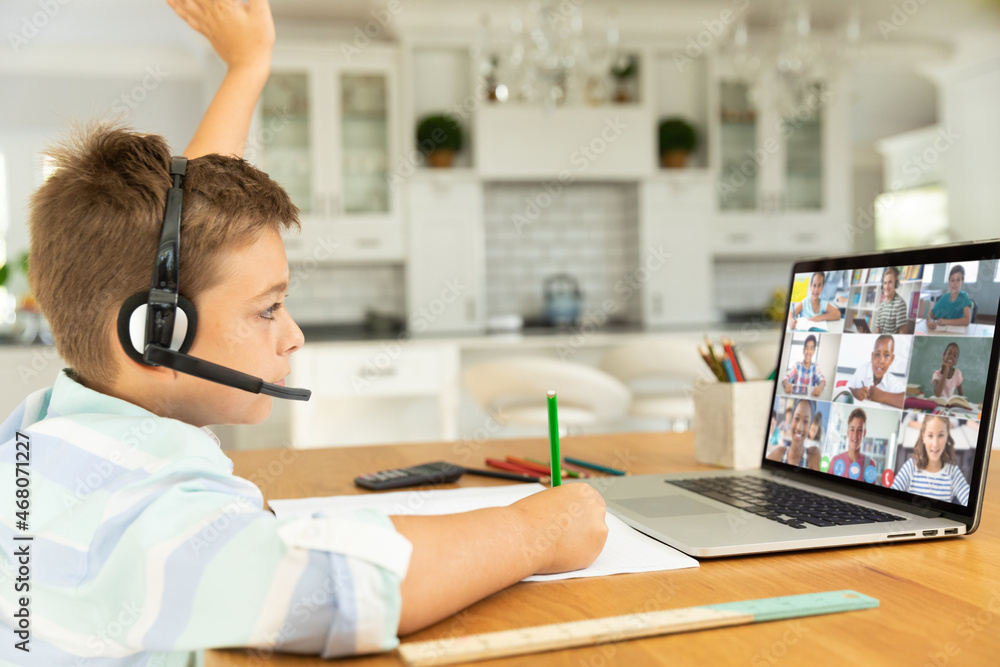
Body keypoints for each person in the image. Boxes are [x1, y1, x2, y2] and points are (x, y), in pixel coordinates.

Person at [0, 3, 608, 665]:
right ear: (157, 333)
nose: (292, 336)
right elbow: (344, 590)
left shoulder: (49, 435)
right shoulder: (136, 523)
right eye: (268, 308)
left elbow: (194, 245)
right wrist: (539, 528)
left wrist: (247, 66)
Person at [891, 415, 971, 504]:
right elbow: (890, 497)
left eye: (940, 435)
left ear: (947, 436)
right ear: (923, 436)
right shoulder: (910, 467)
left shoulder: (953, 473)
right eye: (930, 435)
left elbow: (968, 499)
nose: (935, 444)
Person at [847, 334, 905, 409]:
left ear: (892, 359)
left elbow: (907, 400)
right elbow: (845, 389)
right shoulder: (862, 370)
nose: (880, 361)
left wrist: (882, 396)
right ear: (872, 356)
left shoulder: (892, 381)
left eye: (886, 355)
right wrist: (855, 392)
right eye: (877, 354)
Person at [765, 399, 822, 470]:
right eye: (797, 419)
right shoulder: (779, 453)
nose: (799, 428)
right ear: (792, 420)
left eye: (806, 421)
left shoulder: (813, 456)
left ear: (809, 426)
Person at [828, 409, 877, 482]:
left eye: (859, 430)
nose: (855, 435)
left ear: (864, 433)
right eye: (852, 429)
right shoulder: (835, 461)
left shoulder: (870, 464)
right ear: (848, 432)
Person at [927, 265, 973, 330]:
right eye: (952, 280)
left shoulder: (964, 297)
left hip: (959, 332)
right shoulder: (944, 298)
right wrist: (929, 322)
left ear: (962, 282)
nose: (955, 283)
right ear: (948, 282)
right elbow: (930, 315)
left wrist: (945, 321)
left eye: (958, 280)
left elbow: (966, 321)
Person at [872, 267, 909, 334]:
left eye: (890, 282)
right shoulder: (881, 306)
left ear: (896, 284)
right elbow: (877, 331)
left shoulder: (900, 304)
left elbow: (903, 334)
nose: (887, 286)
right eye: (885, 283)